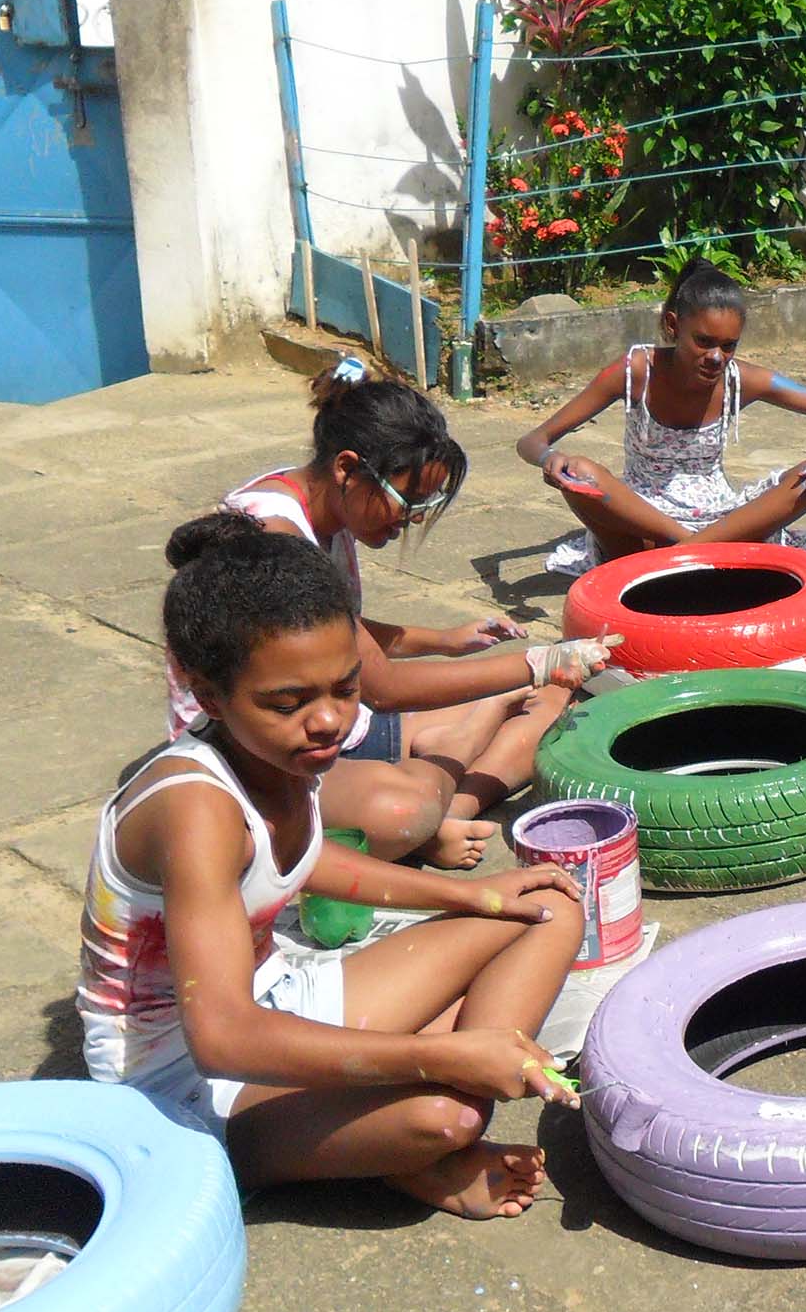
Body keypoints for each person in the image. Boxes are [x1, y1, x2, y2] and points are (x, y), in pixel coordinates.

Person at [89, 514, 586, 1218]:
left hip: (281, 998)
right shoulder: (194, 809)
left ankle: (420, 1101)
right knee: (444, 1115)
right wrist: (443, 1058)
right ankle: (412, 1141)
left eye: (345, 690)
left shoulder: (274, 751)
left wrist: (472, 898)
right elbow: (223, 1036)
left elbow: (306, 862)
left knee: (546, 904)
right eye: (289, 703)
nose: (326, 722)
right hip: (187, 1087)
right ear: (205, 696)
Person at [172, 360, 611, 868]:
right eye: (408, 501)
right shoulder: (277, 539)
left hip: (332, 724)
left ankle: (451, 806)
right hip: (275, 749)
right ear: (346, 468)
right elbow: (381, 690)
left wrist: (443, 640)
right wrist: (540, 661)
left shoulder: (314, 508)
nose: (410, 521)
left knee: (551, 703)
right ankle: (437, 796)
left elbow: (338, 635)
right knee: (403, 808)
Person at [519, 259, 806, 574]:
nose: (716, 357)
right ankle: (698, 551)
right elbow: (532, 441)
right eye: (703, 342)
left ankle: (687, 555)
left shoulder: (743, 381)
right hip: (643, 522)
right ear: (673, 326)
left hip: (721, 520)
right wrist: (552, 460)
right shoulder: (635, 371)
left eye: (728, 346)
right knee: (580, 473)